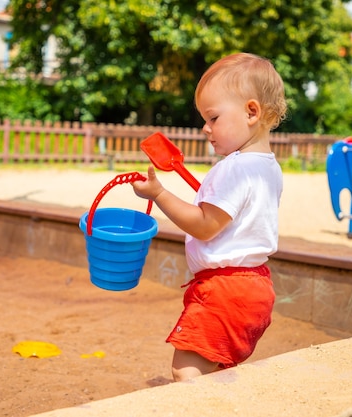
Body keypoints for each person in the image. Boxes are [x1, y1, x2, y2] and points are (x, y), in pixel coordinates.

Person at [132, 52, 287, 382]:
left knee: (187, 371)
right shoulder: (268, 167)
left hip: (225, 289)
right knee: (216, 372)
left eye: (213, 118)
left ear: (251, 112)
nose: (205, 128)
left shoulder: (234, 168)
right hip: (256, 286)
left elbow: (205, 225)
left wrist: (159, 194)